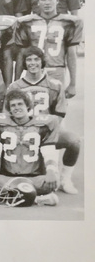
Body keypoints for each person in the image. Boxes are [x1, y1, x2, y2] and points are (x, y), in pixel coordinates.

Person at [7, 46, 80, 194]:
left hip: (46, 132)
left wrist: (48, 133)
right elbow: (8, 115)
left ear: (42, 62)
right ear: (24, 63)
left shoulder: (55, 85)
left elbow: (59, 115)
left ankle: (66, 178)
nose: (32, 63)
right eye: (29, 60)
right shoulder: (15, 86)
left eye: (36, 59)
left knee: (74, 141)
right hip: (23, 134)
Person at [0, 88, 61, 205]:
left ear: (27, 106)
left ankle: (5, 195)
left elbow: (49, 151)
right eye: (13, 105)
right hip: (8, 178)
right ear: (9, 109)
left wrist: (51, 171)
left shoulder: (44, 124)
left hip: (34, 178)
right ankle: (37, 198)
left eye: (20, 104)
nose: (16, 107)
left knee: (53, 181)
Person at [15, 0, 83, 98]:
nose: (47, 3)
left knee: (56, 109)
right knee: (33, 108)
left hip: (57, 70)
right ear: (38, 2)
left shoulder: (69, 23)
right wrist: (16, 81)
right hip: (33, 69)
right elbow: (21, 54)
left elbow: (71, 54)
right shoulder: (26, 23)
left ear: (57, 1)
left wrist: (73, 84)